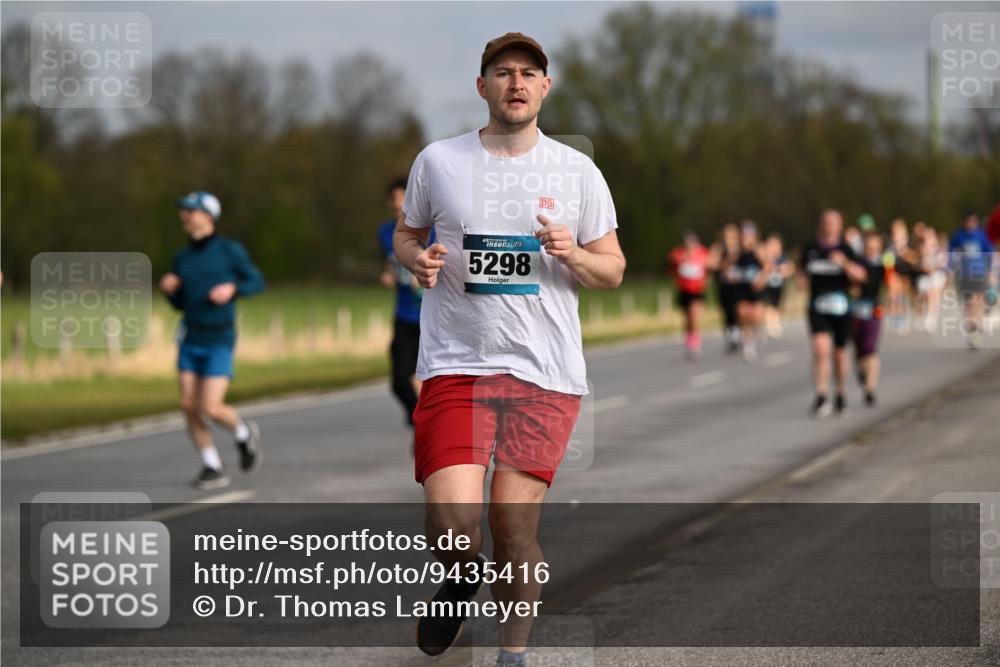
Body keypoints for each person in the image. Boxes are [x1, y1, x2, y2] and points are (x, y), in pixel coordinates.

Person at [393, 32, 625, 666]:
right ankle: (461, 576)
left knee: (512, 526)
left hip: (543, 374)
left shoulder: (576, 171)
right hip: (456, 364)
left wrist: (573, 254)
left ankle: (512, 654)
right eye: (503, 72)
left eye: (528, 73)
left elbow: (613, 269)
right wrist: (417, 259)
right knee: (451, 522)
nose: (516, 82)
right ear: (482, 86)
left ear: (545, 87)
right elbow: (406, 234)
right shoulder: (439, 161)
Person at [159, 191, 265, 489]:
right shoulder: (182, 258)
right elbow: (180, 303)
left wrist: (232, 289)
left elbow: (257, 281)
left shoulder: (229, 250)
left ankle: (244, 433)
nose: (184, 215)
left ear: (208, 216)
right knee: (188, 405)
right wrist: (170, 292)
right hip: (190, 336)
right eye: (183, 210)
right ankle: (212, 465)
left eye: (190, 210)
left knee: (211, 407)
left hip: (219, 337)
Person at [377, 176, 434, 427]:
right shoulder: (385, 232)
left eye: (402, 198)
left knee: (426, 376)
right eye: (393, 199)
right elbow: (390, 261)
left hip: (429, 314)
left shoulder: (431, 228)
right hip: (403, 313)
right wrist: (389, 274)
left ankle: (427, 426)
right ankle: (423, 423)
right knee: (399, 380)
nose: (397, 204)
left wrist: (422, 270)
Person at [800, 209, 867, 418]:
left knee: (839, 354)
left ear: (840, 225)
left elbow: (861, 276)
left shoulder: (846, 249)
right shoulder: (811, 248)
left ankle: (840, 394)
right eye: (826, 221)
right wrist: (801, 281)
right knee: (821, 350)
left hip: (842, 308)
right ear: (821, 224)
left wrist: (844, 263)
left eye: (833, 222)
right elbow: (801, 275)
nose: (829, 225)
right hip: (817, 306)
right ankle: (821, 395)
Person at [851, 231, 890, 406]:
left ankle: (870, 390)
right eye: (868, 245)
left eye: (875, 245)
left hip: (874, 309)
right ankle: (862, 371)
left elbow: (891, 284)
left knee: (871, 349)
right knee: (859, 349)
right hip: (856, 310)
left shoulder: (884, 265)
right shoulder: (857, 263)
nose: (872, 248)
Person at [948, 210, 996, 350]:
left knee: (979, 303)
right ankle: (973, 330)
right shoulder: (959, 236)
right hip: (965, 275)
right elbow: (950, 252)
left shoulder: (982, 236)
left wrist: (990, 271)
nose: (970, 224)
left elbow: (989, 254)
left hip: (980, 273)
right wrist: (950, 269)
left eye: (972, 221)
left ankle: (977, 328)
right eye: (968, 221)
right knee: (970, 304)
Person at [729, 221, 770, 361]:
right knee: (742, 313)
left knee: (756, 316)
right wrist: (731, 274)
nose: (745, 237)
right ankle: (748, 343)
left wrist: (761, 280)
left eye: (748, 234)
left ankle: (755, 330)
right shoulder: (736, 251)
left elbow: (767, 267)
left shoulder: (758, 250)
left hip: (755, 287)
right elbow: (727, 267)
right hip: (741, 287)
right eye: (743, 234)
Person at [668, 231, 709, 360]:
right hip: (684, 291)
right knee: (687, 319)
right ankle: (689, 339)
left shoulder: (703, 253)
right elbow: (671, 268)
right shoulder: (678, 254)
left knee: (694, 315)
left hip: (697, 291)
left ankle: (695, 342)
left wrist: (706, 280)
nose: (690, 246)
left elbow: (709, 268)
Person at [709, 224, 742, 353]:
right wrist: (728, 261)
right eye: (727, 236)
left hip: (739, 285)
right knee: (727, 310)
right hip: (724, 284)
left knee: (739, 310)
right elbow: (712, 264)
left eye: (733, 236)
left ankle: (738, 334)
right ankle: (731, 336)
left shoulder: (741, 249)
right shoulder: (719, 249)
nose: (730, 239)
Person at [762, 233, 794, 339]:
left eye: (776, 245)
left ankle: (775, 322)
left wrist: (784, 270)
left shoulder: (783, 258)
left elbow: (790, 269)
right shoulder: (764, 258)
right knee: (768, 305)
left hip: (779, 286)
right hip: (767, 286)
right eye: (771, 245)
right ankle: (771, 325)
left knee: (776, 305)